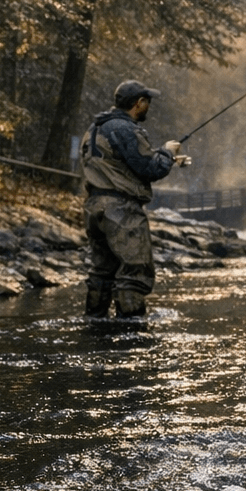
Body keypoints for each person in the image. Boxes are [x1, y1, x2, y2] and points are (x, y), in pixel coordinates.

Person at [81, 80, 186, 318]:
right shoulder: (125, 129)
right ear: (139, 103)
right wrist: (169, 151)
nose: (148, 106)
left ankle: (94, 326)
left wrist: (166, 157)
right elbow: (151, 169)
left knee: (101, 272)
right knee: (134, 274)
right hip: (121, 211)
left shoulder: (95, 128)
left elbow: (118, 164)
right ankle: (131, 335)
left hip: (94, 208)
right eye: (147, 102)